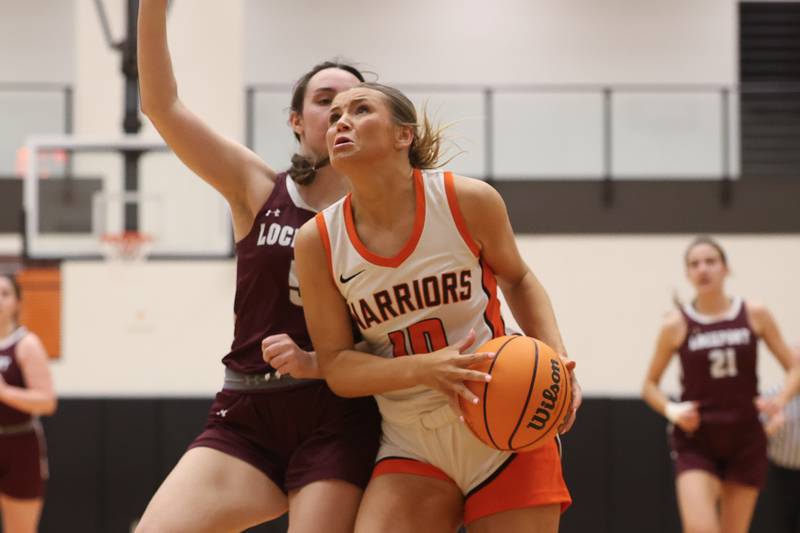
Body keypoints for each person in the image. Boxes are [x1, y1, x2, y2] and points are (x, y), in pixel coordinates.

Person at [135, 2, 381, 532]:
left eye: (358, 106)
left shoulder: (386, 220)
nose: (341, 113)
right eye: (325, 101)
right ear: (296, 121)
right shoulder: (259, 187)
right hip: (246, 411)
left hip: (336, 415)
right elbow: (161, 104)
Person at [294, 82, 579, 533]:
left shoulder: (466, 200)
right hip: (411, 440)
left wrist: (558, 359)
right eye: (333, 117)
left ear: (403, 135)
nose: (340, 121)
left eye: (361, 109)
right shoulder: (317, 241)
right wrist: (426, 369)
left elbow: (518, 278)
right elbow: (337, 366)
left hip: (506, 419)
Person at [641, 236, 800, 533]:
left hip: (746, 438)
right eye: (694, 264)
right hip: (697, 438)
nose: (703, 269)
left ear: (726, 269)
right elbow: (648, 385)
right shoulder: (676, 325)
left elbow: (794, 369)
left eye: (711, 261)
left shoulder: (755, 313)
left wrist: (780, 400)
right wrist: (673, 411)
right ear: (688, 274)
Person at [0, 273, 57, 533]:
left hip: (18, 445)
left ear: (17, 302)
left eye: (4, 294)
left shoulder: (26, 344)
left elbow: (47, 402)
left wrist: (5, 392)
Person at [761, 345, 800, 533]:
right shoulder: (771, 397)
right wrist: (771, 428)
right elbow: (755, 439)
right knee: (780, 523)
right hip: (779, 472)